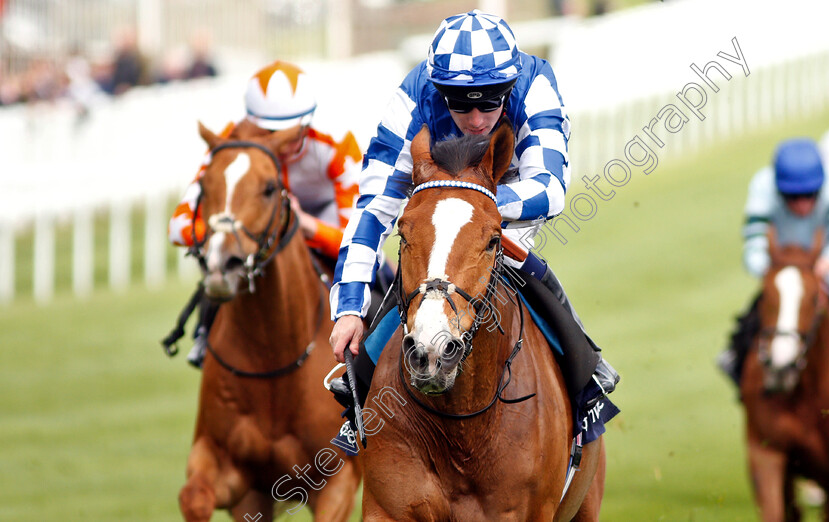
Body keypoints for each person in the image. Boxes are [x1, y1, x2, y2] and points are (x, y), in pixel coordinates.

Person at [327, 10, 619, 428]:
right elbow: (374, 210)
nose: (479, 119)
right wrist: (350, 307)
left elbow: (550, 189)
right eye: (463, 105)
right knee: (425, 264)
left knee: (510, 257)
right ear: (438, 90)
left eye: (491, 102)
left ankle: (584, 371)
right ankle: (359, 388)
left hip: (505, 193)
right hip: (438, 198)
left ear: (510, 87)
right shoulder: (412, 100)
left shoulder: (534, 84)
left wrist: (473, 206)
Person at [167, 60, 365, 367]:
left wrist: (305, 225)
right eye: (268, 131)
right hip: (255, 234)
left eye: (289, 132)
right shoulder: (229, 143)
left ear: (307, 123)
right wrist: (230, 234)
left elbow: (360, 240)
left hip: (323, 221)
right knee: (222, 264)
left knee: (381, 272)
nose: (278, 142)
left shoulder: (338, 144)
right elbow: (178, 226)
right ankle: (204, 334)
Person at [718, 136, 829, 386]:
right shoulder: (763, 187)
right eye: (793, 197)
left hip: (822, 266)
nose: (803, 205)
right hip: (781, 267)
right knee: (755, 317)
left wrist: (828, 260)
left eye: (809, 195)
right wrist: (769, 271)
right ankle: (735, 360)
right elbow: (754, 243)